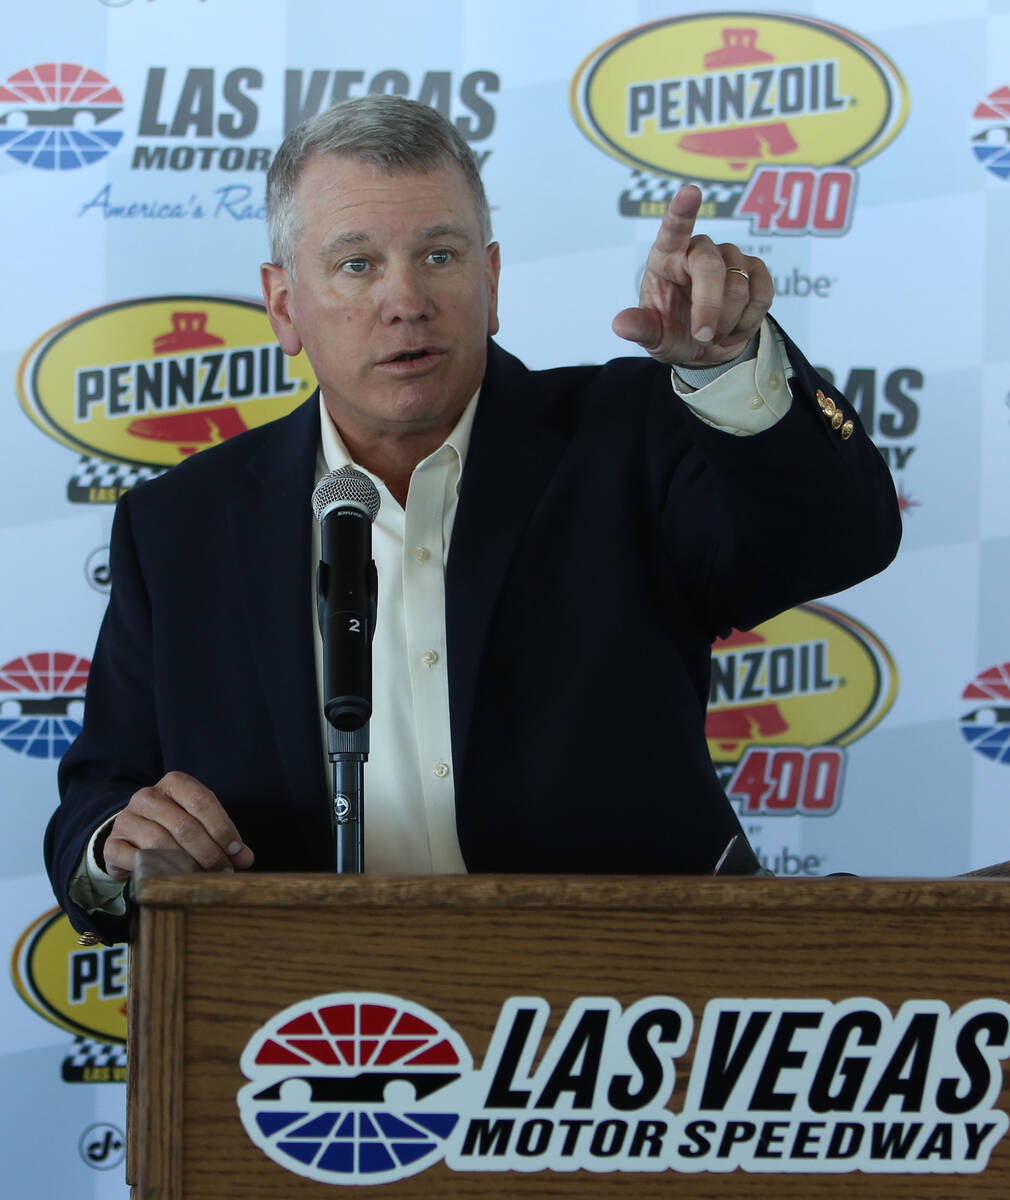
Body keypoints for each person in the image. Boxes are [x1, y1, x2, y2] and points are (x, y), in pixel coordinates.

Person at [45, 95, 901, 944]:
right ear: (283, 306)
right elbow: (101, 795)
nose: (406, 299)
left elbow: (841, 538)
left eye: (440, 255)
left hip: (631, 1006)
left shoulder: (624, 436)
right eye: (356, 264)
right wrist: (115, 846)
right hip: (317, 1028)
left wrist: (728, 370)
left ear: (490, 283)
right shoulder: (180, 527)